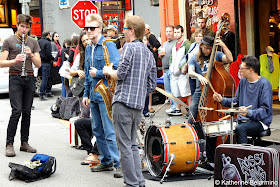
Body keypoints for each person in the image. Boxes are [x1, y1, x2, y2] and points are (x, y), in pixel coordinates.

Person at [103, 15, 157, 187]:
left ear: (132, 31)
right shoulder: (148, 53)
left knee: (125, 146)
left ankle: (132, 183)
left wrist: (108, 71)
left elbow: (120, 74)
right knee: (132, 144)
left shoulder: (128, 48)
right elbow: (151, 85)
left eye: (125, 28)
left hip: (123, 102)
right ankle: (139, 182)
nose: (123, 32)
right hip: (138, 105)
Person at [82, 13, 121, 178]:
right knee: (97, 130)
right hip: (93, 94)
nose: (89, 31)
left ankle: (118, 164)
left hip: (106, 93)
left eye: (92, 28)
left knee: (110, 131)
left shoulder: (108, 45)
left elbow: (117, 66)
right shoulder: (88, 47)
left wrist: (97, 73)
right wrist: (85, 93)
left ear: (100, 28)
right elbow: (86, 72)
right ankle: (106, 161)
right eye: (87, 28)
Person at [187, 36, 233, 172]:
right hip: (199, 92)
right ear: (201, 46)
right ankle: (195, 148)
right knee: (192, 117)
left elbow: (230, 59)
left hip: (214, 92)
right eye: (206, 48)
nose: (207, 51)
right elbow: (190, 72)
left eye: (210, 48)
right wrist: (199, 76)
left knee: (212, 122)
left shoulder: (217, 55)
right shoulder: (195, 57)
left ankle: (210, 154)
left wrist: (223, 45)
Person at [0, 14, 41, 157]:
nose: (24, 30)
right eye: (22, 26)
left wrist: (31, 55)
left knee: (27, 112)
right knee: (16, 110)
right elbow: (1, 62)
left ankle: (24, 143)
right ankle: (9, 144)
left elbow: (38, 64)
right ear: (17, 26)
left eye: (27, 27)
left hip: (29, 78)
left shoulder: (33, 41)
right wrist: (14, 60)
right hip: (15, 77)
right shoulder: (9, 41)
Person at [213, 55, 273, 144]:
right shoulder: (243, 81)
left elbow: (265, 111)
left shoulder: (264, 84)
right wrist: (222, 100)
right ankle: (213, 156)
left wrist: (249, 113)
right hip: (243, 120)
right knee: (216, 127)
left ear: (251, 70)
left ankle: (243, 156)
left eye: (241, 68)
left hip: (260, 122)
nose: (239, 70)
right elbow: (236, 101)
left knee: (241, 129)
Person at [169, 25, 192, 116]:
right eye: (175, 32)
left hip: (182, 73)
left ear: (182, 33)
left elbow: (189, 57)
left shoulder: (187, 44)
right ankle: (178, 109)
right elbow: (172, 57)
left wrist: (183, 66)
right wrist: (171, 67)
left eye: (178, 32)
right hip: (174, 73)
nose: (176, 34)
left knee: (186, 92)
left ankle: (191, 111)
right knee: (177, 92)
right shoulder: (174, 45)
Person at [70, 31, 90, 118]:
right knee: (85, 114)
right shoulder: (80, 55)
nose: (86, 42)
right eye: (84, 41)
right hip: (84, 88)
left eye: (87, 39)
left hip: (96, 89)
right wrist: (78, 72)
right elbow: (71, 72)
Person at [159, 25, 177, 115]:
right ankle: (172, 106)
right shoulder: (165, 44)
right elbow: (160, 54)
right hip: (165, 70)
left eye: (170, 31)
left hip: (172, 70)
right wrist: (160, 55)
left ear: (173, 32)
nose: (168, 33)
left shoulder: (176, 42)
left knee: (174, 89)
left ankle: (176, 107)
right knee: (168, 89)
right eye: (167, 32)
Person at [182, 28, 205, 95]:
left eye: (200, 36)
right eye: (196, 36)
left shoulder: (203, 46)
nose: (198, 38)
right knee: (192, 90)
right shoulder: (193, 45)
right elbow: (188, 56)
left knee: (198, 90)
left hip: (198, 70)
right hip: (191, 70)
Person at [38, 30, 54, 100]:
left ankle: (47, 92)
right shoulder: (48, 43)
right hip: (46, 62)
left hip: (39, 62)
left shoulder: (38, 41)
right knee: (46, 78)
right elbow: (48, 54)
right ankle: (42, 93)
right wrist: (52, 58)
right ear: (48, 35)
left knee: (45, 78)